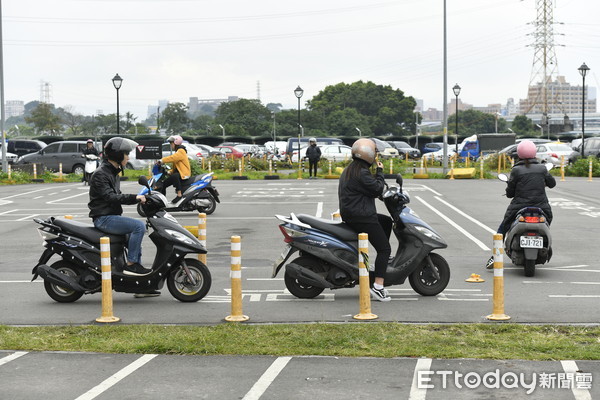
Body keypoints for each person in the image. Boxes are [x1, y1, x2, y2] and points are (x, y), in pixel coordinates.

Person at [485, 140, 556, 269]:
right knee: (547, 221)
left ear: (519, 153)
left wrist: (509, 189)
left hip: (519, 206)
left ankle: (496, 256)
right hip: (542, 206)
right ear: (534, 152)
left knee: (502, 229)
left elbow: (510, 193)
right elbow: (552, 184)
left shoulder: (516, 170)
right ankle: (546, 245)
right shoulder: (542, 168)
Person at [338, 138, 393, 302]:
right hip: (362, 216)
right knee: (385, 249)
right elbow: (377, 188)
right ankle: (378, 287)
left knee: (386, 221)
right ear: (368, 154)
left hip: (353, 213)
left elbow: (369, 190)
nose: (376, 156)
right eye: (375, 153)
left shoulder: (351, 169)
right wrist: (380, 172)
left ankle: (384, 261)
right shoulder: (361, 172)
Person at [88, 137, 151, 277]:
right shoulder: (101, 174)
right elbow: (110, 197)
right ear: (117, 155)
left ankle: (138, 280)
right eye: (126, 154)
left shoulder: (113, 172)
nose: (128, 158)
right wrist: (135, 198)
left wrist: (142, 198)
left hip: (112, 216)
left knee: (134, 240)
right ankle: (132, 265)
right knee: (138, 227)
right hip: (103, 218)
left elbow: (118, 195)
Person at [159, 135, 191, 204]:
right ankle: (161, 201)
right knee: (163, 184)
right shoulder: (178, 151)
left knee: (175, 176)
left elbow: (173, 158)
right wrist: (169, 172)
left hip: (184, 174)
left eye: (171, 143)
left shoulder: (181, 151)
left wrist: (162, 160)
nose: (171, 145)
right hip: (179, 173)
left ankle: (179, 195)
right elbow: (177, 167)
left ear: (176, 143)